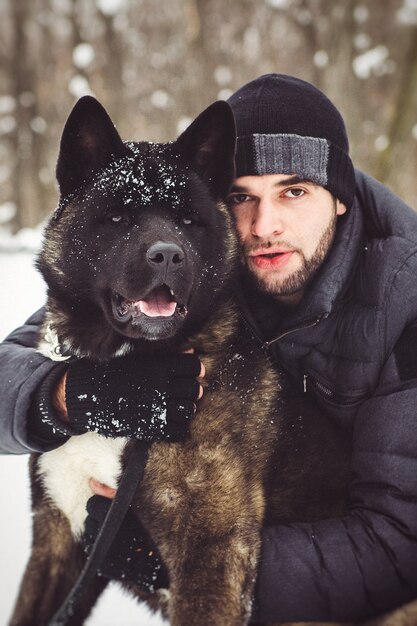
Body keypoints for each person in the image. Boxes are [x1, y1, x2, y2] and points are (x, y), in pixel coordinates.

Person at [2, 73, 417, 623]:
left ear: (337, 197)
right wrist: (68, 394)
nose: (265, 226)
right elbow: (13, 369)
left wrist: (184, 563)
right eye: (242, 197)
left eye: (294, 191)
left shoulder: (404, 305)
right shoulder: (207, 264)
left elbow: (400, 545)